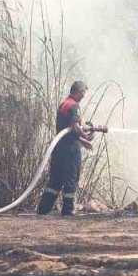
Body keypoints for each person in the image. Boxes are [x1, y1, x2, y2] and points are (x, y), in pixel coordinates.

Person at [37, 80, 104, 216]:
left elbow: (66, 130)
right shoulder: (73, 106)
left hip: (59, 148)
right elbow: (75, 126)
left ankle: (43, 209)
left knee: (55, 179)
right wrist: (85, 136)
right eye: (83, 94)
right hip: (70, 150)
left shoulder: (64, 104)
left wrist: (82, 140)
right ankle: (67, 210)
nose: (83, 97)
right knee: (71, 179)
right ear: (78, 92)